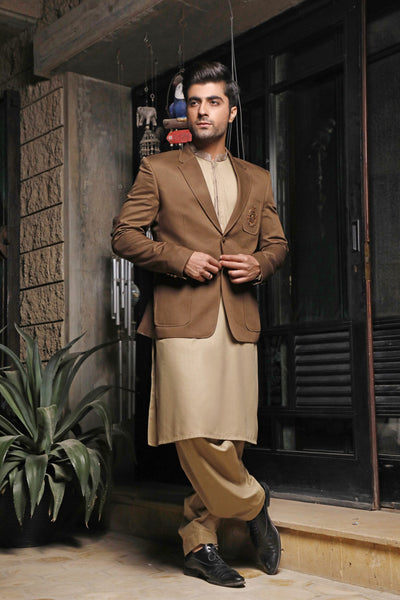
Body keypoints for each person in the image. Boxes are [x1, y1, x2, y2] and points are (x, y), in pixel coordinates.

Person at [112, 61, 288, 589]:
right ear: (186, 111)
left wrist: (260, 265)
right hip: (181, 315)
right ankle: (254, 503)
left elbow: (277, 244)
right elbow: (123, 235)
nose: (202, 111)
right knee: (190, 428)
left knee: (228, 434)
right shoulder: (159, 169)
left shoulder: (257, 178)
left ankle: (199, 542)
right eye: (194, 102)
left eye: (213, 102)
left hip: (237, 317)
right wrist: (178, 258)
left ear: (231, 111)